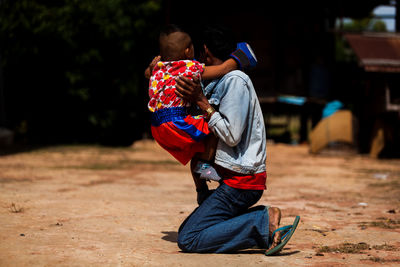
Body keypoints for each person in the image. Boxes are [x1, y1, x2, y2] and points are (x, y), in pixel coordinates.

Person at [174, 25, 300, 255]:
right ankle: (257, 218)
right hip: (225, 174)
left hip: (242, 181)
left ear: (205, 51)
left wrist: (202, 103)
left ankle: (261, 223)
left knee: (188, 239)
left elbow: (231, 136)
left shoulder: (235, 81)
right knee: (190, 228)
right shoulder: (218, 81)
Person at [145, 24, 257, 181]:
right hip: (177, 121)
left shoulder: (156, 68)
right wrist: (243, 55)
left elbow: (147, 74)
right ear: (187, 51)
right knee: (213, 126)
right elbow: (223, 69)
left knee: (196, 150)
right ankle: (204, 165)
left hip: (157, 126)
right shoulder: (189, 68)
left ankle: (201, 191)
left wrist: (152, 67)